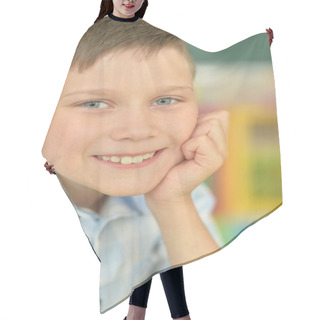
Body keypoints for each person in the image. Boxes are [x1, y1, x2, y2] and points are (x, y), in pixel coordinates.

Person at [42, 3, 229, 317]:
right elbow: (72, 98)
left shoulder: (154, 37)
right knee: (148, 234)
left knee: (155, 233)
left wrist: (254, 50)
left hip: (154, 163)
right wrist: (59, 152)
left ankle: (140, 315)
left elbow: (199, 66)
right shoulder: (94, 36)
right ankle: (167, 315)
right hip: (118, 166)